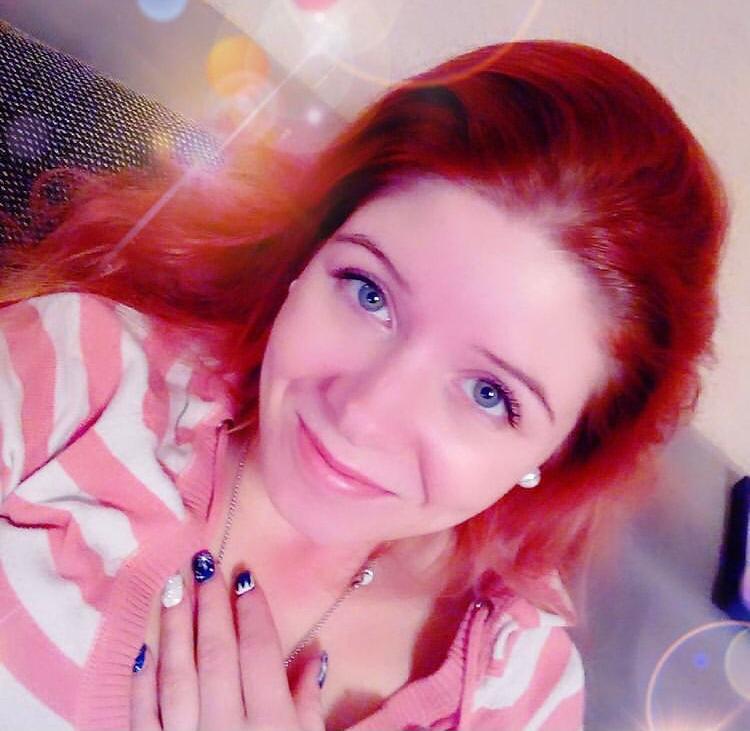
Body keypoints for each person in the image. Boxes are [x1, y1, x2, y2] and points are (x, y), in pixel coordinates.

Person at [0, 39, 727, 731]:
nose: (362, 415)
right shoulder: (78, 375)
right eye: (368, 292)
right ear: (313, 246)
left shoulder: (521, 696)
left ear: (566, 449)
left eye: (488, 394)